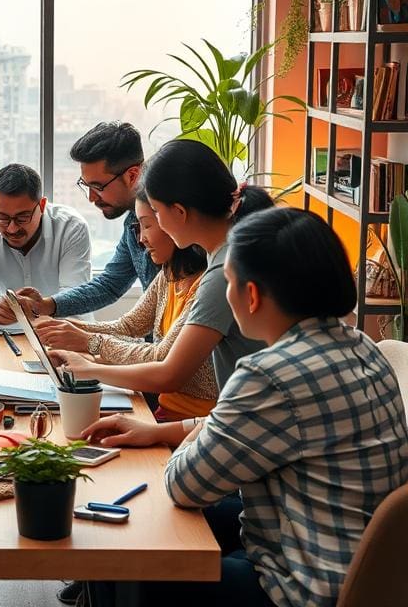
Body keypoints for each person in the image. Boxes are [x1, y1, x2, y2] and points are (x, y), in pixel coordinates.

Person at [83, 207, 408, 606]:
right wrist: (164, 431)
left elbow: (184, 485)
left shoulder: (270, 373)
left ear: (250, 295)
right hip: (357, 573)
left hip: (298, 587)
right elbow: (255, 424)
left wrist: (187, 438)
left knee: (127, 548)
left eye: (226, 283)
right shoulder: (362, 348)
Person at [48, 139, 273, 401]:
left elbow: (169, 373)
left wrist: (90, 366)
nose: (143, 235)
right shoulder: (227, 255)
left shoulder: (223, 271)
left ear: (179, 211)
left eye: (154, 212)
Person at [35, 188, 215, 421]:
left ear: (177, 219)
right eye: (137, 227)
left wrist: (90, 343)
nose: (140, 239)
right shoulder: (169, 274)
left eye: (147, 225)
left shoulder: (206, 286)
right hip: (165, 411)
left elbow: (160, 357)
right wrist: (69, 329)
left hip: (195, 422)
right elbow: (129, 326)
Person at [15, 122, 158, 319]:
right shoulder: (133, 224)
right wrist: (46, 305)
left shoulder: (171, 231)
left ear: (132, 175)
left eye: (98, 186)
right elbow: (110, 284)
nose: (91, 197)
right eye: (86, 186)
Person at [0, 163, 91, 325]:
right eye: (2, 217)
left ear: (42, 206)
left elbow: (75, 295)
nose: (12, 229)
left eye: (22, 218)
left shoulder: (71, 227)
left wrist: (41, 308)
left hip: (65, 330)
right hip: (6, 333)